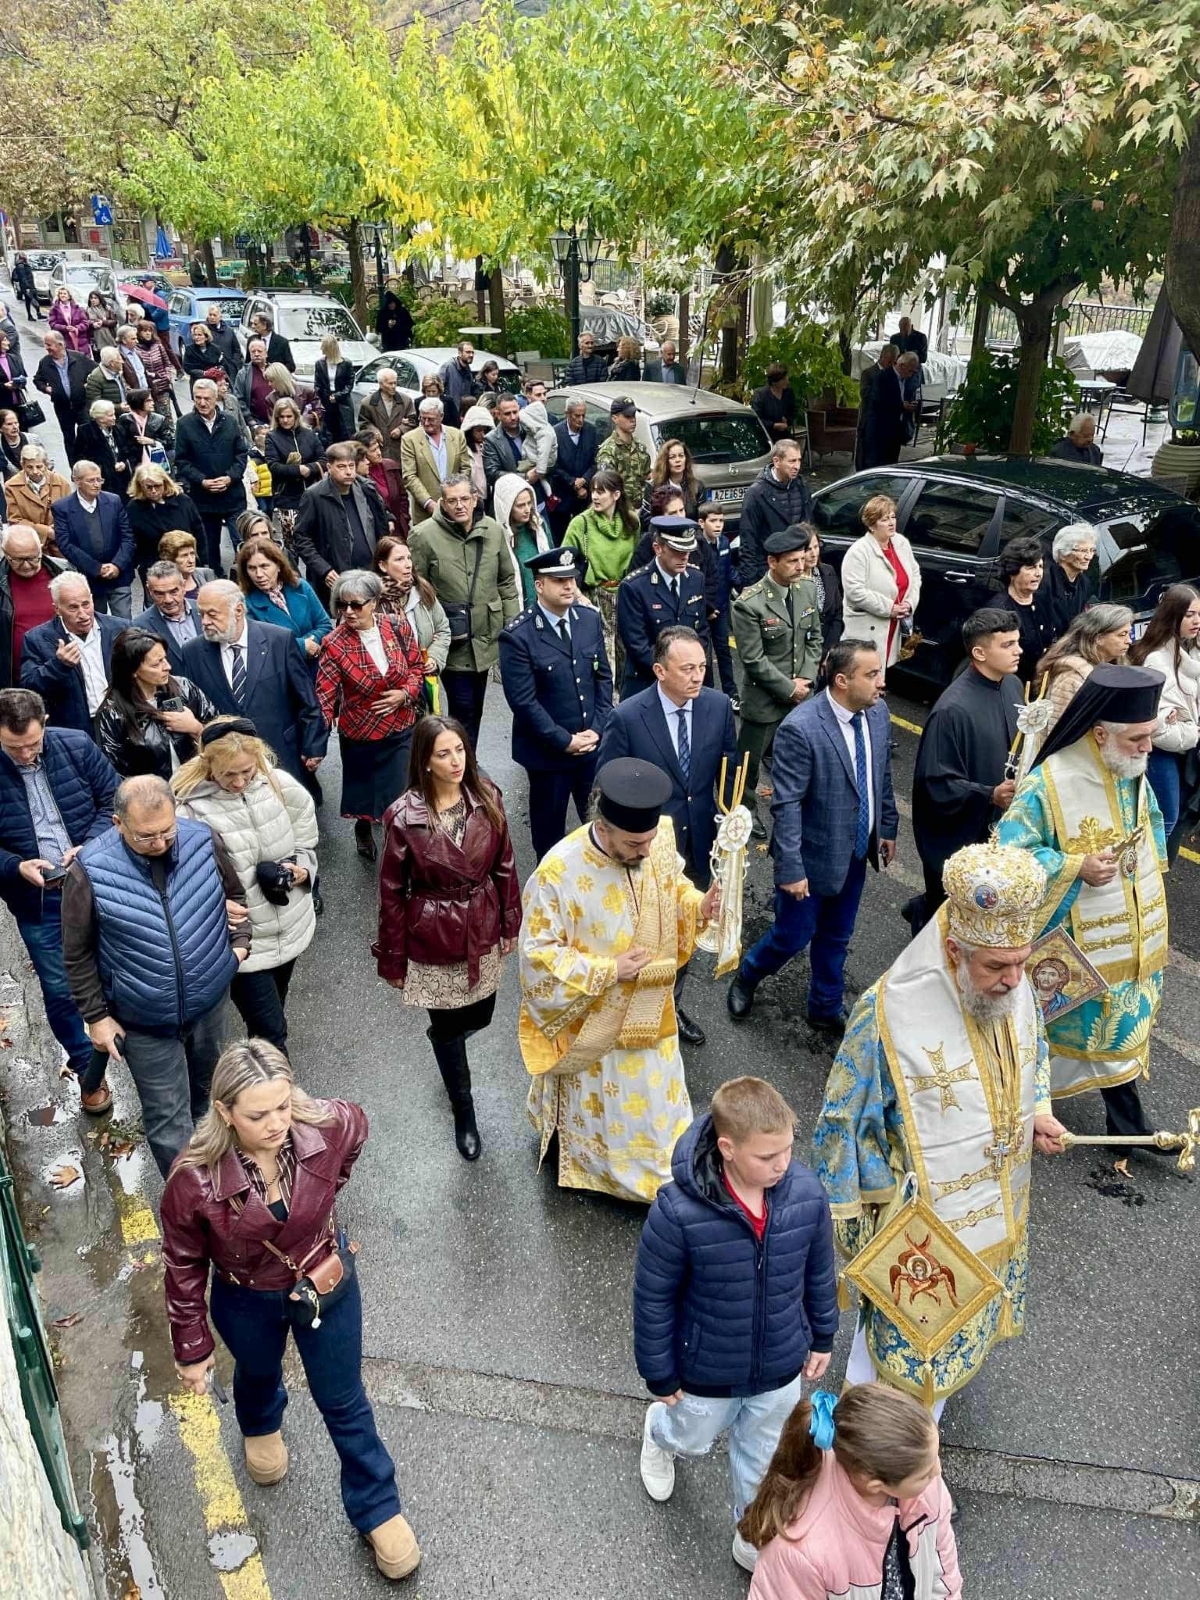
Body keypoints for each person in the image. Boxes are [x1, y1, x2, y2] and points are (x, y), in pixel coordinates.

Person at [815, 841, 1066, 1410]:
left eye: (1022, 961)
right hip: (918, 1222)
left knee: (956, 1342)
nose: (1014, 980)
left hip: (997, 1204)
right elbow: (842, 1121)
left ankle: (918, 1437)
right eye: (996, 966)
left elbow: (1033, 1053)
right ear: (954, 948)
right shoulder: (888, 1012)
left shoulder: (1013, 984)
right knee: (892, 1358)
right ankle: (871, 1446)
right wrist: (868, 1218)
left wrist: (1038, 1111)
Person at [159, 1043, 421, 1582]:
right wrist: (192, 1347)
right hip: (246, 1297)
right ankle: (260, 1425)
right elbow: (183, 1262)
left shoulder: (324, 1125)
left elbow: (357, 1128)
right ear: (225, 1112)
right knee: (258, 1371)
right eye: (259, 1115)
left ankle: (377, 1506)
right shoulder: (194, 1179)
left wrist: (325, 1201)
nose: (278, 1123)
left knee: (344, 1399)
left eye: (284, 1105)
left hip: (324, 1283)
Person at [634, 1076, 836, 1573]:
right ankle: (659, 1434)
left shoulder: (806, 1195)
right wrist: (659, 1371)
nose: (783, 1164)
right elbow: (653, 1297)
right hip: (707, 1371)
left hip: (780, 1366)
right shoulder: (677, 1212)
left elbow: (818, 1271)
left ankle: (751, 1533)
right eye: (767, 1156)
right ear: (727, 1149)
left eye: (788, 1149)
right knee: (692, 1437)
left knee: (763, 1454)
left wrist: (822, 1334)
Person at [519, 757, 720, 1201]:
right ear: (602, 827)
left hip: (652, 1010)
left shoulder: (656, 841)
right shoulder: (558, 873)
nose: (645, 851)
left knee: (657, 1103)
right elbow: (539, 958)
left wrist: (698, 906)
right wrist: (609, 971)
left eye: (648, 841)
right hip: (596, 1022)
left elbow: (674, 888)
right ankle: (600, 1170)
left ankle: (667, 1173)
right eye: (634, 843)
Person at [996, 666, 1167, 1172]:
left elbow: (1150, 825)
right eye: (1137, 739)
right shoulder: (1049, 784)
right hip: (1068, 945)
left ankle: (1126, 1128)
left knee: (1119, 1029)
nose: (1147, 748)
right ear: (1100, 733)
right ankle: (1009, 1112)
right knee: (1036, 1032)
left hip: (1127, 935)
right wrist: (1074, 866)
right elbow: (1007, 853)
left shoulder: (1130, 768)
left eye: (1150, 736)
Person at [62, 773, 249, 1176]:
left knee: (212, 1101)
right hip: (142, 1023)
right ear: (118, 824)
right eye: (146, 836)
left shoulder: (203, 840)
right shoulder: (89, 870)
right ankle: (192, 1201)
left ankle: (221, 1184)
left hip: (209, 1007)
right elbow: (77, 953)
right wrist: (97, 1017)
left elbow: (235, 895)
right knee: (168, 1120)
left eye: (167, 830)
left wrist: (238, 949)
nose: (161, 843)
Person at [728, 639, 897, 1028]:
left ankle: (825, 1007)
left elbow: (881, 776)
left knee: (837, 935)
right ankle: (748, 974)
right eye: (872, 674)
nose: (881, 682)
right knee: (792, 936)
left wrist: (886, 827)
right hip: (811, 857)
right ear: (842, 680)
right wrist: (791, 869)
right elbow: (787, 805)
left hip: (855, 851)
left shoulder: (878, 713)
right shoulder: (801, 729)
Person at [374, 715, 520, 1159]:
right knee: (448, 1026)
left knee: (482, 1014)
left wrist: (510, 921)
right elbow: (391, 892)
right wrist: (393, 958)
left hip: (482, 921)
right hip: (433, 933)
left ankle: (446, 1045)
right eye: (444, 754)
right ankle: (463, 1108)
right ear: (425, 760)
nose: (456, 761)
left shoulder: (487, 796)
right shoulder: (404, 817)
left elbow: (505, 864)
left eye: (460, 750)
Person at [596, 626, 737, 1047]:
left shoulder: (717, 707)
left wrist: (733, 826)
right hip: (646, 849)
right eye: (687, 669)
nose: (698, 676)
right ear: (660, 671)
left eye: (703, 667)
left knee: (684, 930)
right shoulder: (628, 717)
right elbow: (606, 787)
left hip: (700, 844)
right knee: (641, 933)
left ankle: (670, 1006)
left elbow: (727, 772)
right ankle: (627, 1010)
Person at [0, 687, 118, 1109]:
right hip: (39, 900)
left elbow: (115, 799)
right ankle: (88, 1068)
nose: (25, 754)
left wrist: (91, 846)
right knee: (59, 986)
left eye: (32, 743)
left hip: (97, 884)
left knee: (118, 970)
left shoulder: (76, 745)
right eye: (14, 747)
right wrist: (16, 866)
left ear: (45, 724)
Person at [174, 721, 317, 1054]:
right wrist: (215, 904)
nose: (239, 782)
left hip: (291, 927)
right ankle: (275, 1085)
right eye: (228, 774)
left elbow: (306, 841)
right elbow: (179, 880)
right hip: (241, 942)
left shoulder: (281, 786)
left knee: (270, 1020)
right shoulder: (188, 810)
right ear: (208, 764)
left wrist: (300, 871)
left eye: (246, 772)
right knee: (272, 1032)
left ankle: (256, 1073)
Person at [741, 1386, 961, 1599]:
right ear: (876, 1485)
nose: (937, 1471)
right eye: (924, 1474)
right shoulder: (801, 1552)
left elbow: (943, 1561)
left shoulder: (926, 1485)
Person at [498, 546, 612, 860]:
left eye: (572, 579)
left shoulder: (588, 619)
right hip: (548, 756)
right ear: (539, 585)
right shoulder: (518, 635)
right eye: (559, 580)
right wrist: (565, 741)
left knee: (601, 833)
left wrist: (598, 729)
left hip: (591, 748)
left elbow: (603, 677)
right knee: (549, 842)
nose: (569, 586)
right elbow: (523, 702)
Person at [910, 608, 1022, 920]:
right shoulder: (952, 710)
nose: (1018, 650)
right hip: (965, 835)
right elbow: (936, 783)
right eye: (1008, 645)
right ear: (979, 653)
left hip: (1001, 829)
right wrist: (989, 794)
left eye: (1017, 642)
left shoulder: (1013, 685)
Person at [316, 570, 424, 859]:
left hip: (401, 728)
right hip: (360, 734)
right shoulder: (334, 644)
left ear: (374, 602)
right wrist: (315, 743)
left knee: (398, 794)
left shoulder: (397, 626)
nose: (348, 611)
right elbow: (324, 696)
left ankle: (398, 851)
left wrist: (405, 694)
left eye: (356, 604)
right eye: (342, 605)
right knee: (364, 793)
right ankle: (363, 827)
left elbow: (416, 667)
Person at [408, 473, 520, 750]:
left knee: (475, 707)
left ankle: (465, 759)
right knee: (462, 707)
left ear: (475, 499)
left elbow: (506, 580)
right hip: (451, 639)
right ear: (442, 503)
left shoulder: (493, 530)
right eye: (452, 500)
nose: (459, 505)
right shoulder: (423, 536)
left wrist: (511, 624)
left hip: (486, 634)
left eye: (464, 499)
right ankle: (459, 762)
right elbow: (415, 590)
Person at [182, 581, 327, 788]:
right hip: (229, 768)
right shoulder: (193, 652)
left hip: (282, 754)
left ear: (238, 611)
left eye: (212, 614)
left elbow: (306, 699)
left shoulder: (279, 640)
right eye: (201, 614)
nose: (204, 621)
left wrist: (313, 745)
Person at [732, 527, 824, 839]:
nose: (801, 566)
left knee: (799, 757)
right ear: (772, 562)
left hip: (801, 694)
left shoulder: (806, 588)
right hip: (766, 699)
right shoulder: (750, 603)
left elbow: (814, 638)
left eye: (802, 559)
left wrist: (806, 679)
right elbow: (753, 660)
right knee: (749, 763)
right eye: (792, 561)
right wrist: (789, 688)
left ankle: (793, 807)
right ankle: (743, 810)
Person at [1019, 602, 1134, 773]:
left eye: (1128, 634)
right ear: (1098, 637)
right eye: (1122, 635)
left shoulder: (1112, 667)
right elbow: (1062, 739)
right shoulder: (1070, 679)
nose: (1129, 641)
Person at [1128, 585, 1200, 854]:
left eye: (1199, 615)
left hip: (1184, 748)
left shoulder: (1188, 651)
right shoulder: (1157, 660)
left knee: (1178, 817)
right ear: (1172, 616)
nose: (1197, 621)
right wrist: (1195, 732)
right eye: (1189, 615)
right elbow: (1158, 728)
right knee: (1165, 821)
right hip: (1160, 752)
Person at [94, 628, 214, 779]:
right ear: (133, 670)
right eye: (156, 664)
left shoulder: (184, 688)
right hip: (153, 791)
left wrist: (196, 728)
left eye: (165, 658)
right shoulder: (112, 714)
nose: (167, 667)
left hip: (198, 783)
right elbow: (115, 773)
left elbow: (223, 735)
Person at [617, 516, 710, 697]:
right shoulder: (634, 587)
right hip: (648, 684)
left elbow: (702, 631)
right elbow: (637, 645)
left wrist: (692, 669)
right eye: (677, 550)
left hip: (688, 681)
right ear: (658, 548)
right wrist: (674, 672)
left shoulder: (695, 579)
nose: (684, 556)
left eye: (688, 550)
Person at [20, 572, 124, 733]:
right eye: (73, 608)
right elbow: (30, 687)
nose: (82, 614)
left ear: (92, 599)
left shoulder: (120, 628)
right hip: (76, 730)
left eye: (86, 604)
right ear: (57, 609)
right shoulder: (37, 639)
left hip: (122, 723)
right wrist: (58, 666)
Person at [563, 467, 640, 677]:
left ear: (616, 495)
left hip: (624, 596)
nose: (595, 496)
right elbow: (565, 566)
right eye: (593, 491)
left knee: (627, 657)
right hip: (594, 597)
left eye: (601, 491)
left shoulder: (632, 522)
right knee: (602, 661)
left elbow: (637, 561)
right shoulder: (581, 524)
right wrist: (578, 596)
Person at [293, 441, 390, 605]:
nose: (348, 472)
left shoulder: (367, 488)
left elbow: (381, 523)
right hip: (337, 575)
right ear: (329, 467)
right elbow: (301, 537)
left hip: (370, 571)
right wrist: (324, 569)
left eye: (351, 466)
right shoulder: (314, 496)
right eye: (341, 467)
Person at [173, 378, 250, 577]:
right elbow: (181, 461)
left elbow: (241, 454)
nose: (202, 402)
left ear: (216, 398)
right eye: (197, 397)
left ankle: (246, 581)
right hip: (204, 499)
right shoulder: (184, 424)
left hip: (232, 496)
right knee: (209, 549)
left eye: (207, 398)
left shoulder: (230, 422)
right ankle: (216, 581)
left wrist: (230, 478)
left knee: (243, 543)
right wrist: (202, 480)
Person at [840, 494, 920, 669]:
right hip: (867, 628)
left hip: (894, 626)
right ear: (871, 525)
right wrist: (889, 608)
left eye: (893, 517)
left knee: (882, 670)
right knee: (865, 671)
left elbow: (915, 575)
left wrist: (909, 603)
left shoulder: (901, 543)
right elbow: (854, 591)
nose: (892, 523)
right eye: (885, 519)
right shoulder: (858, 552)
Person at [51, 459, 134, 616]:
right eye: (91, 480)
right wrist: (96, 568)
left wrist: (117, 565)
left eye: (99, 479)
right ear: (77, 481)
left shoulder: (114, 501)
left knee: (125, 623)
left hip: (119, 574)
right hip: (89, 578)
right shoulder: (62, 508)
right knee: (93, 622)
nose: (97, 484)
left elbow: (127, 537)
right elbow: (65, 544)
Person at [237, 537, 330, 666]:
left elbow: (325, 625)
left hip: (317, 666)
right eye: (252, 568)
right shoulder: (247, 604)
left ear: (278, 566)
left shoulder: (300, 586)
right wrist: (302, 646)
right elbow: (259, 647)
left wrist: (311, 643)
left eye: (264, 566)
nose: (259, 574)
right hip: (282, 672)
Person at [373, 535, 449, 684]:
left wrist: (433, 657)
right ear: (382, 566)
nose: (408, 564)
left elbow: (443, 629)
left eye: (409, 558)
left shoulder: (422, 590)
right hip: (387, 684)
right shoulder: (369, 599)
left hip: (421, 680)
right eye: (399, 559)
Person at [738, 440, 812, 586]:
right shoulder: (757, 493)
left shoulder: (802, 487)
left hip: (797, 570)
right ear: (777, 461)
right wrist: (750, 582)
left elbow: (807, 528)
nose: (797, 466)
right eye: (792, 461)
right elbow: (748, 540)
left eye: (799, 460)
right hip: (768, 571)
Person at [0, 525, 60, 687]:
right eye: (18, 560)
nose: (26, 566)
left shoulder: (64, 571)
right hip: (16, 681)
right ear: (5, 554)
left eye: (32, 558)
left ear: (40, 549)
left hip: (63, 672)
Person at [126, 465, 204, 585]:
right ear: (140, 486)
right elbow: (130, 538)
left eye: (157, 486)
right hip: (153, 568)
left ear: (165, 483)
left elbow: (198, 531)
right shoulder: (134, 507)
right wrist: (138, 562)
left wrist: (203, 560)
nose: (153, 491)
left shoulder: (183, 501)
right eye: (148, 487)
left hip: (185, 565)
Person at [400, 398, 470, 525]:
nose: (426, 423)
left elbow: (465, 468)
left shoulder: (457, 435)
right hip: (425, 514)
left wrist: (457, 496)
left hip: (456, 509)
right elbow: (409, 476)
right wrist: (428, 503)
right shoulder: (409, 439)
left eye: (431, 419)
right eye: (423, 419)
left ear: (441, 416)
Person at [481, 394, 556, 507]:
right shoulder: (491, 440)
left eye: (515, 412)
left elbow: (552, 459)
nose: (513, 417)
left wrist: (539, 470)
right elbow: (492, 474)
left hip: (538, 498)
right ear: (498, 415)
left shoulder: (531, 428)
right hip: (512, 502)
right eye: (507, 413)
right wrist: (525, 477)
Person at [997, 534, 1053, 683]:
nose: (1038, 573)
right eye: (1031, 567)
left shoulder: (1042, 600)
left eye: (1040, 566)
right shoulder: (1000, 611)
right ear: (1013, 572)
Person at [33, 331, 95, 464]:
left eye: (49, 345)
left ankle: (90, 463)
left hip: (82, 405)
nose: (46, 348)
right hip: (62, 408)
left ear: (60, 345)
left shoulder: (78, 357)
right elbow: (38, 380)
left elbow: (95, 371)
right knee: (69, 438)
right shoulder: (45, 362)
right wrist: (46, 389)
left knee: (87, 434)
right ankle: (74, 466)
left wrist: (89, 383)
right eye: (45, 344)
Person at [133, 560, 202, 672]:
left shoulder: (204, 610)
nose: (168, 600)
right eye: (159, 593)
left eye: (174, 591)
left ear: (184, 586)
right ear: (149, 591)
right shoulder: (140, 626)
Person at [493, 473, 550, 605]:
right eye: (520, 505)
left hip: (543, 601)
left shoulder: (539, 527)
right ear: (507, 507)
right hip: (518, 605)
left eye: (529, 503)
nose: (527, 510)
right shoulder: (499, 536)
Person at [264, 394, 324, 518]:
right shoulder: (272, 437)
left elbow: (323, 460)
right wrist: (298, 470)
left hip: (313, 493)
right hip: (286, 497)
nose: (285, 420)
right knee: (291, 530)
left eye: (289, 416)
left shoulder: (309, 434)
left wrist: (310, 468)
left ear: (296, 416)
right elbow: (273, 466)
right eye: (282, 417)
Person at [3, 446, 71, 550]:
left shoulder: (61, 483)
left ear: (46, 465)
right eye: (29, 467)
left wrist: (60, 529)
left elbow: (71, 514)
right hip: (29, 545)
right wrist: (46, 531)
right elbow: (15, 521)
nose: (35, 471)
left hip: (59, 544)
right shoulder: (11, 486)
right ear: (22, 465)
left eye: (39, 467)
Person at [549, 395, 599, 535]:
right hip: (562, 497)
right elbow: (553, 465)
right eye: (577, 416)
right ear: (567, 414)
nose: (580, 420)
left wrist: (584, 480)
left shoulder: (590, 430)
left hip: (585, 496)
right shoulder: (555, 433)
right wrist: (572, 482)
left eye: (583, 415)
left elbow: (596, 460)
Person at [596, 397, 651, 515]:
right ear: (615, 418)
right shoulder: (608, 451)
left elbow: (647, 479)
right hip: (619, 513)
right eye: (627, 416)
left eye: (633, 415)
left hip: (641, 512)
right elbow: (607, 489)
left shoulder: (640, 448)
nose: (633, 420)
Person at [1041, 521, 1096, 635]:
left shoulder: (1084, 582)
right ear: (1062, 554)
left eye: (1092, 550)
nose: (1089, 557)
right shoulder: (1044, 582)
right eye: (1083, 551)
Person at [857, 344, 905, 468]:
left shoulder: (896, 375)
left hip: (888, 424)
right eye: (889, 362)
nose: (891, 365)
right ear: (882, 357)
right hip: (870, 421)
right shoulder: (869, 373)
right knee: (867, 457)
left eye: (894, 362)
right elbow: (865, 394)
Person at [76, 398, 133, 501]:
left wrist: (123, 462)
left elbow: (127, 450)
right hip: (102, 477)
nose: (114, 418)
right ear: (100, 418)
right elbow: (79, 456)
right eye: (111, 415)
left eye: (114, 414)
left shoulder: (119, 429)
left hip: (122, 477)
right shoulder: (85, 431)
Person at [355, 427, 409, 535]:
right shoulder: (359, 477)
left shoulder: (390, 466)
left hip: (399, 527)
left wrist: (404, 518)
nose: (379, 453)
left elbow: (403, 497)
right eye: (373, 450)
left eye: (378, 448)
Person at [640, 438, 704, 527]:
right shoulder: (653, 486)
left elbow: (703, 518)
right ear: (665, 461)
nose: (678, 460)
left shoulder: (697, 486)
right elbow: (646, 519)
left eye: (681, 456)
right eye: (672, 457)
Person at [357, 367, 415, 466]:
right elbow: (364, 423)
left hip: (401, 450)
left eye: (395, 383)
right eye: (390, 383)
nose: (393, 386)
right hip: (380, 450)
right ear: (381, 384)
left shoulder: (406, 401)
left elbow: (413, 421)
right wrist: (374, 431)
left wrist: (401, 429)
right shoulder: (368, 403)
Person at [131, 320, 178, 436]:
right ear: (139, 333)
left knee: (166, 415)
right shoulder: (136, 349)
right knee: (151, 416)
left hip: (162, 386)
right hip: (148, 388)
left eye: (150, 331)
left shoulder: (158, 345)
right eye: (144, 331)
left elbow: (167, 363)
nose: (148, 333)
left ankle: (171, 437)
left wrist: (167, 376)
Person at [117, 388, 170, 473]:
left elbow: (170, 442)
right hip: (134, 464)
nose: (152, 403)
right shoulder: (125, 419)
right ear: (138, 402)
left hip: (156, 462)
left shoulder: (159, 419)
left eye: (152, 400)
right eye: (148, 401)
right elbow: (121, 443)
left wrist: (153, 442)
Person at [314, 334, 355, 443]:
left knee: (345, 432)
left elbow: (349, 384)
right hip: (326, 401)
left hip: (343, 402)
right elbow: (317, 384)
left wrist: (337, 396)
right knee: (328, 433)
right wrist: (324, 397)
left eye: (324, 346)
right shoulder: (320, 364)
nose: (322, 349)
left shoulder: (346, 363)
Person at [232, 337, 277, 429]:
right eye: (253, 351)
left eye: (259, 351)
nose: (256, 354)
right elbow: (238, 398)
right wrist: (250, 420)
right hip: (257, 422)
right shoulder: (243, 374)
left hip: (278, 420)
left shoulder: (276, 370)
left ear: (266, 353)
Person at [159, 528, 215, 599]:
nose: (191, 560)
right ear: (170, 559)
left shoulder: (207, 575)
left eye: (192, 553)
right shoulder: (158, 585)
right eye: (184, 555)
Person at [751, 363, 798, 442]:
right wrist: (774, 425)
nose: (787, 381)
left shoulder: (788, 392)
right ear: (774, 381)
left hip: (784, 436)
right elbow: (756, 419)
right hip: (766, 437)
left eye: (786, 378)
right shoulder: (761, 395)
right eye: (783, 379)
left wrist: (787, 420)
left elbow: (793, 411)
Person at [459, 402, 492, 503]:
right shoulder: (463, 449)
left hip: (489, 495)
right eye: (478, 430)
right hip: (472, 497)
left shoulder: (490, 447)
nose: (482, 434)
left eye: (485, 430)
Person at [181, 322, 232, 386]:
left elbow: (223, 364)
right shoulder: (189, 350)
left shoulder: (216, 349)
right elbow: (187, 368)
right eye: (195, 335)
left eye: (199, 335)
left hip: (214, 381)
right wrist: (204, 373)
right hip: (197, 382)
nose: (196, 337)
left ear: (206, 337)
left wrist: (217, 370)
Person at [49, 286, 91, 355]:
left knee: (81, 359)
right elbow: (52, 324)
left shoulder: (78, 308)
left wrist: (76, 328)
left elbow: (85, 323)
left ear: (69, 296)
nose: (62, 295)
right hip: (64, 339)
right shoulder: (54, 309)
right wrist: (65, 328)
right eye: (60, 293)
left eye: (64, 293)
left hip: (79, 340)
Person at [438, 341, 479, 410]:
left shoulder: (468, 370)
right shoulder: (448, 367)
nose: (471, 355)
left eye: (472, 352)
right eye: (468, 352)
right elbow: (438, 388)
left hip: (464, 411)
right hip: (450, 411)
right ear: (459, 353)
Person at [376, 283, 414, 352]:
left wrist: (398, 324)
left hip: (402, 342)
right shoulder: (383, 313)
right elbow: (378, 328)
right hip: (389, 344)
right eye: (389, 304)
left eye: (393, 303)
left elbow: (410, 323)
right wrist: (388, 326)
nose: (391, 305)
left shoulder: (402, 311)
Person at [0, 330, 29, 414]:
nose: (8, 342)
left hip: (17, 403)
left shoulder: (13, 358)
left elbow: (22, 375)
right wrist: (4, 386)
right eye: (5, 340)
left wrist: (21, 381)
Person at [0, 408, 29, 478]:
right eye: (9, 424)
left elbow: (47, 462)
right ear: (1, 428)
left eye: (16, 423)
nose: (15, 427)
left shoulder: (32, 438)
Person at [12, 255, 41, 321]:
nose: (26, 257)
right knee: (32, 300)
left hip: (30, 286)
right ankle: (35, 315)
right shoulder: (21, 266)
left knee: (29, 301)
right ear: (23, 257)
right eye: (25, 256)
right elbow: (23, 277)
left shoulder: (24, 264)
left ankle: (33, 315)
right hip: (28, 287)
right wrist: (27, 287)